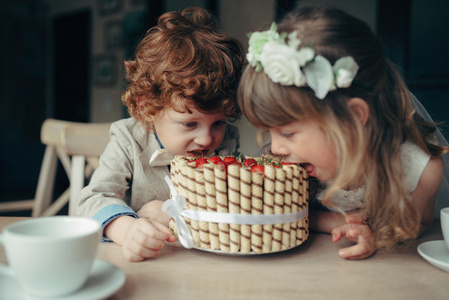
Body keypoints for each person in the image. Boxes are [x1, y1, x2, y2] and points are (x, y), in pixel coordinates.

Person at [238, 5, 449, 260]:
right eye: (271, 132)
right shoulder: (290, 162)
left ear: (353, 118)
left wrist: (377, 235)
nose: (275, 148)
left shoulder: (422, 171)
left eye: (289, 133)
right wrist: (335, 221)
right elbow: (266, 211)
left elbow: (418, 225)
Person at [77, 7, 245, 261]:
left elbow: (235, 203)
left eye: (219, 123)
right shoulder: (128, 139)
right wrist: (127, 229)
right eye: (190, 124)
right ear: (147, 107)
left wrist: (174, 212)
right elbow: (94, 198)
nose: (207, 140)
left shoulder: (228, 141)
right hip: (150, 261)